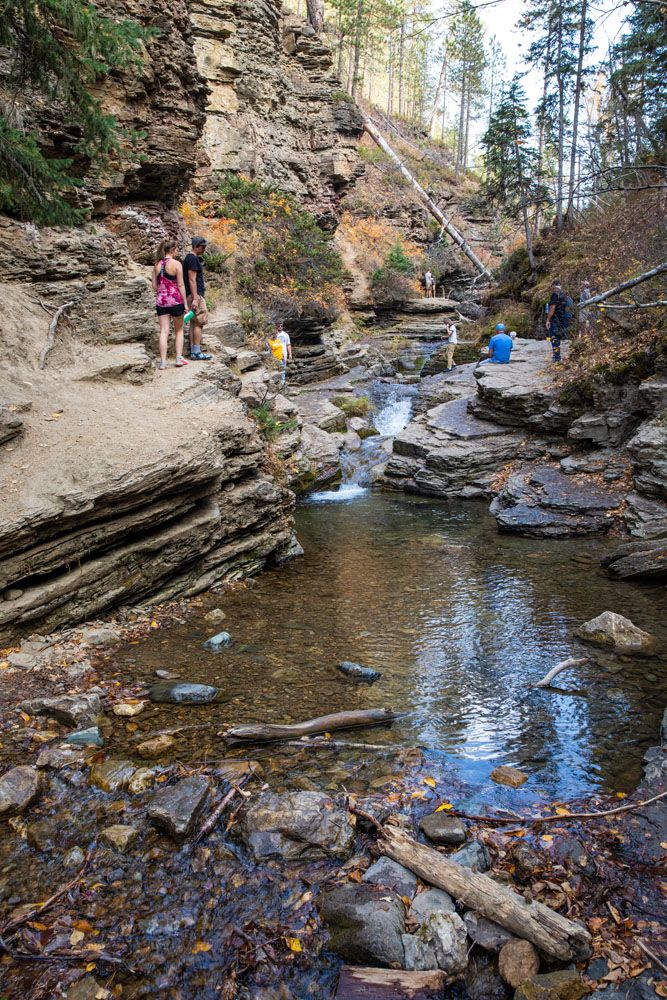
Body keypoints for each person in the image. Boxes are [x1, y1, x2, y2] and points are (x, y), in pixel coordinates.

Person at [152, 239, 189, 370]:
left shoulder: (157, 265)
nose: (177, 251)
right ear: (172, 250)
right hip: (175, 300)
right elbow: (181, 284)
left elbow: (154, 286)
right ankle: (179, 358)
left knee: (164, 331)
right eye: (176, 249)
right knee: (179, 330)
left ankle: (163, 362)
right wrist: (185, 303)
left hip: (161, 301)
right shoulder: (177, 264)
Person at [182, 236, 212, 361]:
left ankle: (194, 352)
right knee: (199, 322)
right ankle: (196, 352)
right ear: (196, 246)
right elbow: (192, 279)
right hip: (196, 295)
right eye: (202, 246)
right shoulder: (193, 259)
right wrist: (195, 298)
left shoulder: (189, 258)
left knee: (193, 322)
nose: (204, 249)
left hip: (191, 295)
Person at [545, 279, 573, 362]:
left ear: (554, 286)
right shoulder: (566, 295)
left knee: (554, 337)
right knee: (564, 336)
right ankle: (571, 355)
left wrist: (548, 319)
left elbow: (552, 307)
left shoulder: (555, 294)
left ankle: (556, 357)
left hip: (556, 319)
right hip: (565, 319)